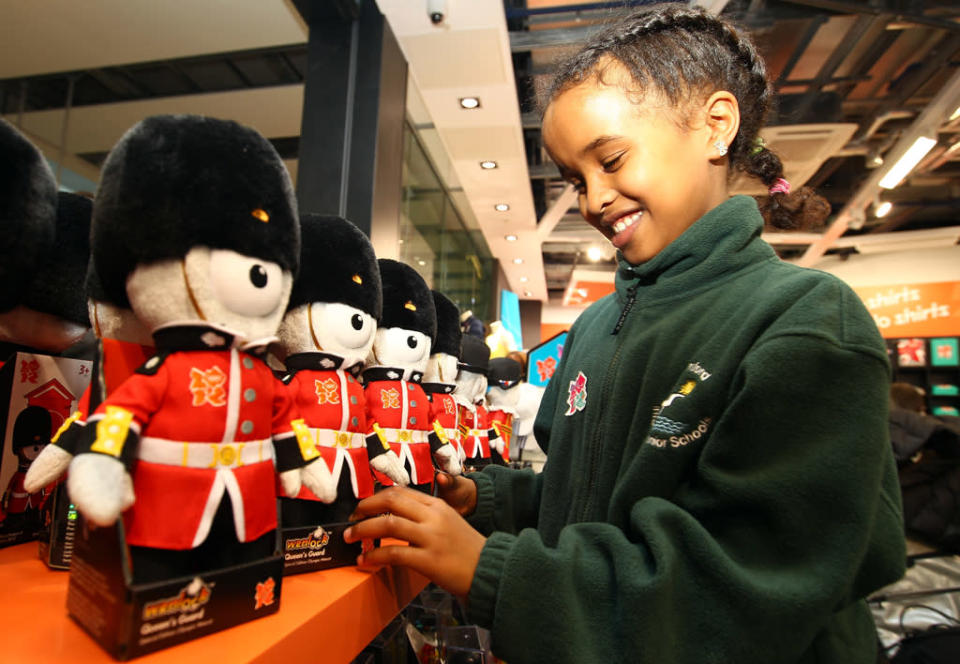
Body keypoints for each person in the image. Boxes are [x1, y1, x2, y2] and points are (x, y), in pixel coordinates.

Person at [344, 6, 905, 663]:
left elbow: (739, 584)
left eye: (610, 159)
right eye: (575, 180)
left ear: (715, 126)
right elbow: (583, 498)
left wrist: (493, 570)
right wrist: (485, 499)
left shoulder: (804, 321)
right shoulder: (593, 328)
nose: (592, 198)